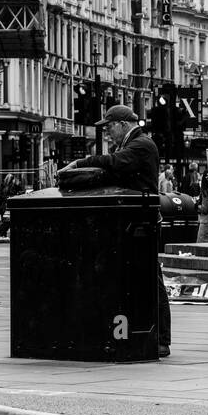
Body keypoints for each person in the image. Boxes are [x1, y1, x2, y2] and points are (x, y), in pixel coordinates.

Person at [65, 105, 171, 357]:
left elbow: (115, 163)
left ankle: (161, 338)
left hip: (142, 223)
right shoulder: (131, 143)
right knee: (134, 279)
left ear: (123, 123)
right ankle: (134, 332)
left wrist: (81, 162)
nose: (107, 132)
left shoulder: (141, 144)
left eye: (109, 126)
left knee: (151, 280)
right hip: (129, 222)